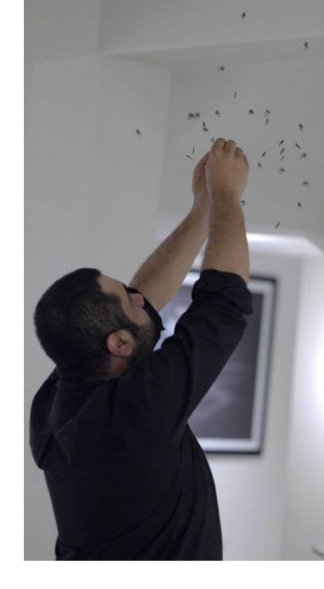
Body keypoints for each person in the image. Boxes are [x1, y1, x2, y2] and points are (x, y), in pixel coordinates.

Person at [29, 138, 252, 560]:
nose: (139, 297)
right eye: (128, 299)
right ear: (118, 344)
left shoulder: (61, 399)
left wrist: (203, 210)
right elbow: (223, 306)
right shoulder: (132, 417)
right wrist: (227, 196)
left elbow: (140, 307)